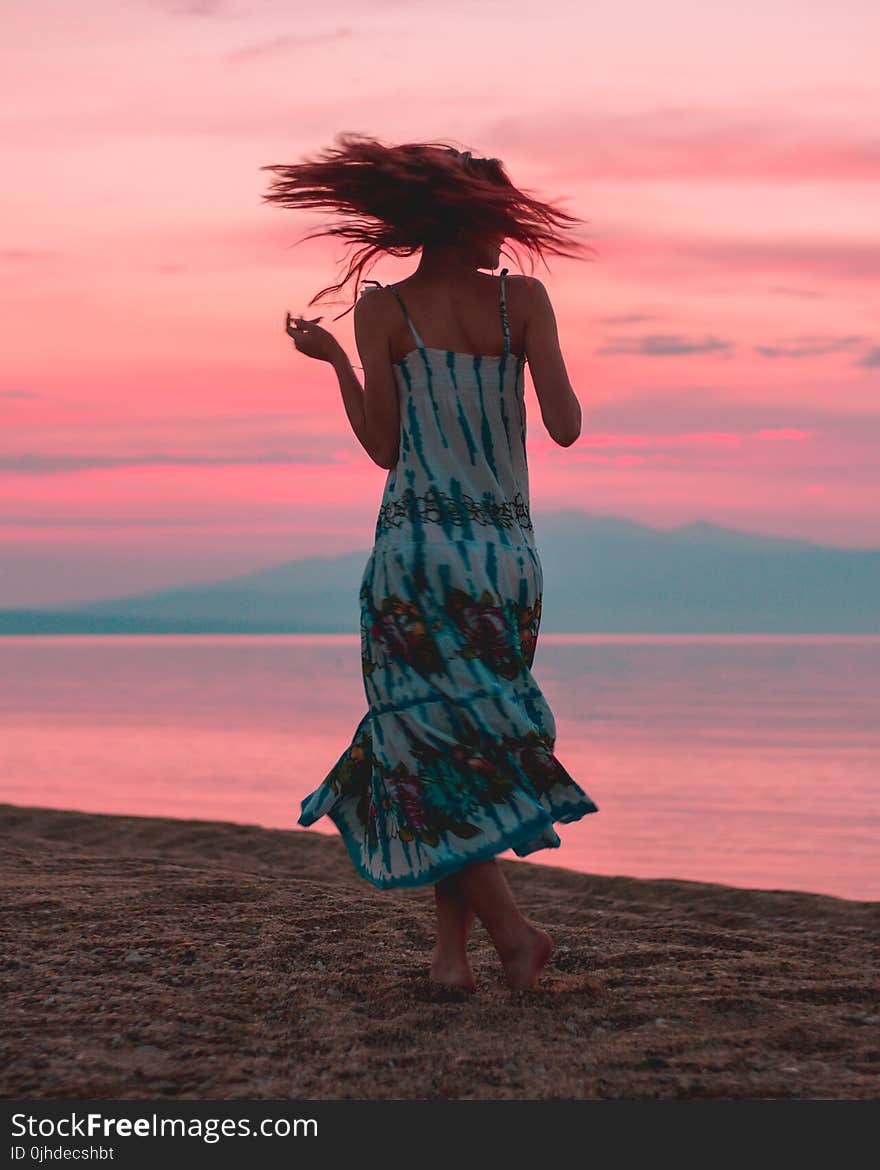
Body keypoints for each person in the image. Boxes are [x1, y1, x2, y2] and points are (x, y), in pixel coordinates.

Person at [260, 134, 599, 992]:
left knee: (424, 744)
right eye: (499, 219)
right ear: (466, 222)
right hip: (504, 559)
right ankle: (457, 957)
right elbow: (564, 425)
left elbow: (383, 448)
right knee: (469, 749)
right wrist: (528, 365)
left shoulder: (382, 313)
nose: (508, 238)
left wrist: (336, 363)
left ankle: (492, 944)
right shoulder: (521, 303)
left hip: (413, 555)